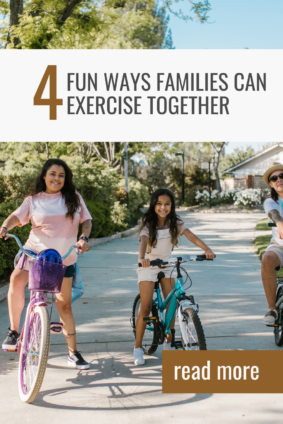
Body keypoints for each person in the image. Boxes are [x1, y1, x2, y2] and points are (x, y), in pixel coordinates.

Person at [0, 158, 92, 370]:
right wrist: (5, 226)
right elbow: (16, 217)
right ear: (44, 175)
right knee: (15, 280)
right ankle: (14, 332)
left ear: (65, 178)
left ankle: (73, 353)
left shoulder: (74, 198)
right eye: (53, 174)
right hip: (34, 253)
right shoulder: (33, 200)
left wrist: (83, 238)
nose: (57, 178)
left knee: (64, 306)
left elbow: (86, 221)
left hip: (63, 258)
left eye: (61, 175)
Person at [134, 188, 215, 366]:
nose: (163, 207)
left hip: (167, 262)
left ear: (172, 206)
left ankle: (169, 343)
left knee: (171, 304)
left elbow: (190, 235)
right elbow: (144, 241)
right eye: (159, 204)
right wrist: (142, 259)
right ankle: (138, 347)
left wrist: (206, 249)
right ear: (154, 204)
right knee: (146, 307)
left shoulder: (175, 221)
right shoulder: (148, 221)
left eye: (167, 204)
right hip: (148, 264)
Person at [262, 162, 283, 325]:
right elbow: (273, 213)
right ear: (271, 183)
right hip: (279, 245)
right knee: (267, 259)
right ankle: (272, 309)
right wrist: (280, 223)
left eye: (282, 176)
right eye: (274, 178)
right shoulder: (271, 201)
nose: (279, 180)